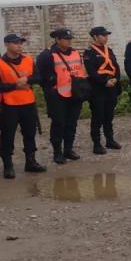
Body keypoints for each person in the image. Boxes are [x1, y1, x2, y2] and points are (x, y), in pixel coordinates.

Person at [0, 34, 46, 178]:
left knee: (30, 133)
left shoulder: (28, 59)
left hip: (28, 103)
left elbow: (39, 77)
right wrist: (15, 85)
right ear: (7, 44)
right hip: (9, 105)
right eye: (16, 43)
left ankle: (31, 161)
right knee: (7, 135)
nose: (19, 46)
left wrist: (27, 79)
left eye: (21, 43)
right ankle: (8, 165)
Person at [37, 28, 87, 165]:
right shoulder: (47, 55)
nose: (69, 41)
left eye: (70, 38)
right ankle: (57, 152)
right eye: (66, 39)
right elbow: (42, 78)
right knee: (58, 124)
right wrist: (51, 89)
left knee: (72, 124)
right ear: (57, 40)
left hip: (75, 94)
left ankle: (68, 149)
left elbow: (81, 71)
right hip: (57, 96)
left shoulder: (76, 53)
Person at [83, 26, 122, 155]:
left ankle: (110, 140)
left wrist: (115, 79)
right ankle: (97, 143)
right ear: (95, 37)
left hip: (111, 87)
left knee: (109, 116)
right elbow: (91, 72)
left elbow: (115, 66)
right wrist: (104, 82)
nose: (106, 37)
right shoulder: (89, 52)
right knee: (97, 117)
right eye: (103, 35)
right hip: (98, 89)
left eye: (106, 35)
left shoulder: (108, 50)